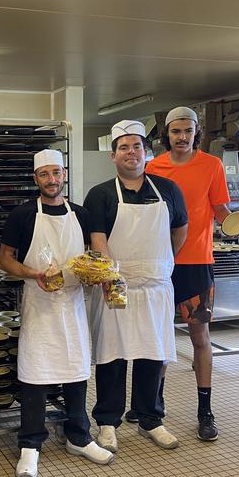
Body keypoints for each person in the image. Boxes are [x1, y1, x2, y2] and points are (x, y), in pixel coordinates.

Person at [0, 149, 114, 477]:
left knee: (76, 368)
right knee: (35, 372)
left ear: (64, 175)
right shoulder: (22, 215)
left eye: (57, 173)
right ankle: (31, 445)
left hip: (74, 302)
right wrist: (32, 273)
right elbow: (5, 258)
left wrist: (99, 274)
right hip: (39, 303)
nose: (52, 180)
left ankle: (79, 436)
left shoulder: (82, 213)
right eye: (45, 174)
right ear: (36, 179)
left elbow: (95, 254)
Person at [84, 121, 188, 451]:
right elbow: (98, 239)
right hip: (118, 285)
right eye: (124, 148)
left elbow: (179, 231)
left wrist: (160, 262)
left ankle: (150, 419)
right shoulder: (100, 194)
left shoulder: (168, 190)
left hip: (156, 286)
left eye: (137, 147)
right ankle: (107, 422)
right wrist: (111, 276)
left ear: (147, 152)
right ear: (113, 156)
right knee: (112, 356)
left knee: (152, 354)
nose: (132, 153)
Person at [145, 106, 231, 442]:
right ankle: (154, 406)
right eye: (176, 131)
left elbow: (221, 208)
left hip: (197, 262)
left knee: (200, 338)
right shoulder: (154, 167)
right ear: (167, 133)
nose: (182, 137)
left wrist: (235, 220)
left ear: (197, 132)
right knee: (160, 339)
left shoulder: (212, 165)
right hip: (160, 263)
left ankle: (205, 411)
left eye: (188, 131)